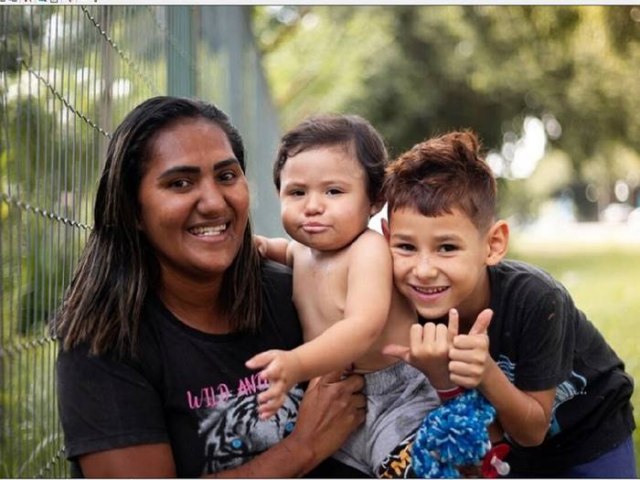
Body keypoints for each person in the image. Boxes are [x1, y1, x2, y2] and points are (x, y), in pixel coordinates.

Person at [53, 96, 368, 478]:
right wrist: (302, 448)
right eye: (180, 183)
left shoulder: (293, 292)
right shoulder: (103, 344)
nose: (215, 202)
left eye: (226, 176)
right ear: (133, 210)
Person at [381, 129, 636, 478]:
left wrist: (485, 371)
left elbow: (532, 431)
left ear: (494, 243)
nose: (423, 271)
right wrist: (443, 377)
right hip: (511, 446)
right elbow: (479, 431)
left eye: (447, 248)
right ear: (386, 238)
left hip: (589, 431)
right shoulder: (406, 308)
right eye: (406, 247)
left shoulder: (537, 299)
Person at [249, 114, 442, 477]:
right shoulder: (300, 252)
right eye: (297, 192)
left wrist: (296, 364)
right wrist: (254, 246)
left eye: (333, 191)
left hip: (394, 395)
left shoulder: (368, 250)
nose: (313, 206)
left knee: (410, 469)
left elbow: (362, 327)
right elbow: (278, 248)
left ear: (375, 199)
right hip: (336, 396)